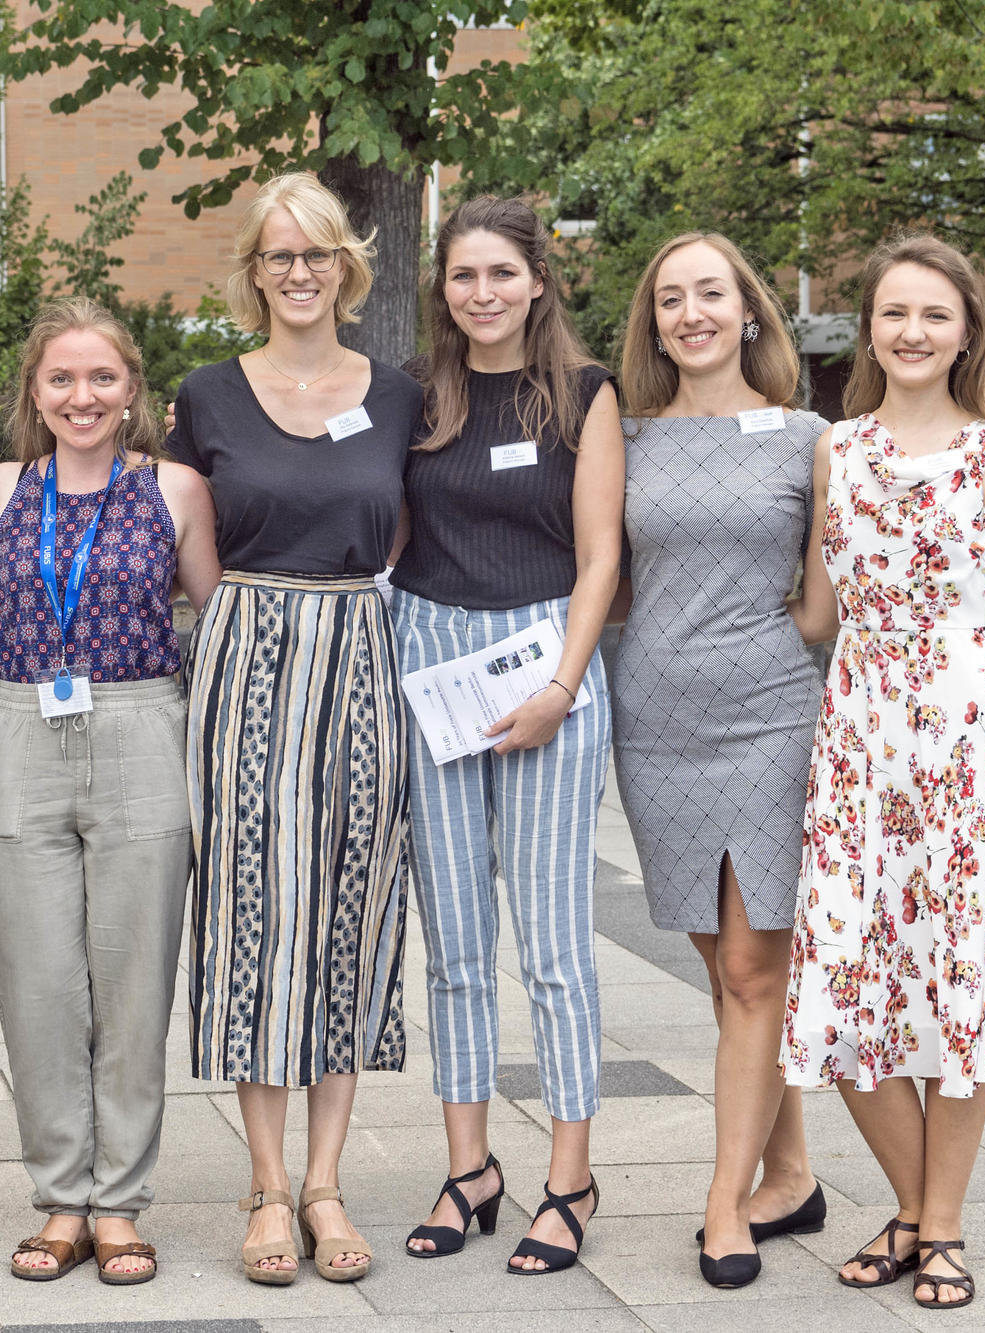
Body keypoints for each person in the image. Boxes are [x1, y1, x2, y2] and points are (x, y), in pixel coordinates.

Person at [782, 234, 985, 1311]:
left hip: (965, 738)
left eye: (932, 315)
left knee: (959, 984)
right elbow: (812, 611)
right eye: (892, 313)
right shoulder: (832, 452)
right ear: (866, 330)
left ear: (963, 333)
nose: (910, 332)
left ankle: (932, 1226)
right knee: (846, 998)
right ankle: (915, 1207)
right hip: (854, 742)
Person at [166, 171, 424, 1286]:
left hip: (362, 653)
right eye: (278, 255)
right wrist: (250, 624)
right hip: (247, 651)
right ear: (252, 270)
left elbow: (409, 528)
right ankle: (264, 1183)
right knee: (251, 909)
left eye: (315, 252)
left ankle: (326, 1183)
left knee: (350, 911)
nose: (298, 271)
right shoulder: (206, 393)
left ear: (346, 263)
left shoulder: (402, 394)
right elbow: (186, 543)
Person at [390, 196, 622, 1274]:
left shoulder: (582, 395)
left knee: (553, 949)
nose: (478, 293)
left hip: (543, 669)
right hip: (430, 668)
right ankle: (469, 1167)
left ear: (536, 280)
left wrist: (561, 688)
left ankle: (566, 1178)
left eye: (498, 273)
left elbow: (599, 559)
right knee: (453, 950)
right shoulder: (415, 398)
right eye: (460, 276)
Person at [0, 296, 222, 1287]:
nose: (82, 396)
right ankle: (59, 1198)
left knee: (130, 978)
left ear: (132, 392)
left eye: (101, 377)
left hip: (138, 728)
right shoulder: (0, 488)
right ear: (34, 391)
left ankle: (119, 1203)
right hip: (23, 729)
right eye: (61, 378)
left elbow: (218, 615)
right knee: (34, 983)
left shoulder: (174, 489)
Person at [608, 233, 830, 1288]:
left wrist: (763, 655)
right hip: (653, 722)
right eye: (668, 299)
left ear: (749, 310)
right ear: (651, 322)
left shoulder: (806, 438)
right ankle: (786, 1172)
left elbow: (823, 601)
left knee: (753, 968)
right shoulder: (625, 433)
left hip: (769, 719)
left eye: (709, 294)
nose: (688, 313)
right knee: (722, 967)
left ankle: (722, 1205)